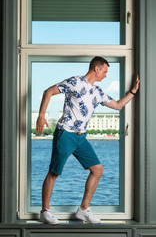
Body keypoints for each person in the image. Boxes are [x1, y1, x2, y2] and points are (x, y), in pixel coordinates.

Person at [36, 56, 140, 224]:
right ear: (96, 69)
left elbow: (119, 105)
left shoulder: (97, 92)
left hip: (81, 137)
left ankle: (83, 210)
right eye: (105, 71)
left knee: (97, 170)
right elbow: (48, 92)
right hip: (66, 134)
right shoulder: (75, 82)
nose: (106, 75)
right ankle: (45, 211)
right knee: (54, 173)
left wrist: (133, 91)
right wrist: (41, 116)